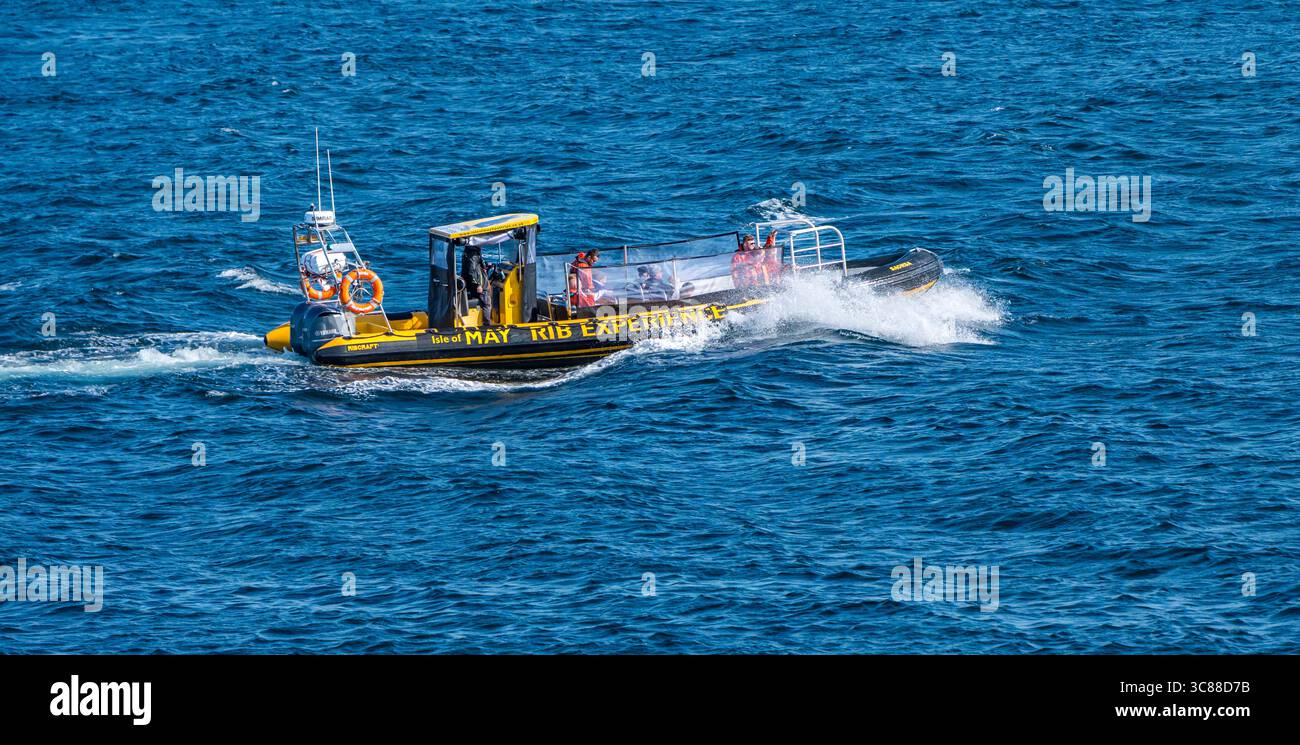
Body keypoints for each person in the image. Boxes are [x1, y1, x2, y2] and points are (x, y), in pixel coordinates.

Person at [460, 244, 492, 318]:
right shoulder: (473, 255)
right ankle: (487, 323)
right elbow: (472, 271)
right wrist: (478, 284)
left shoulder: (468, 253)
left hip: (470, 284)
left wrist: (484, 266)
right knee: (486, 303)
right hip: (477, 284)